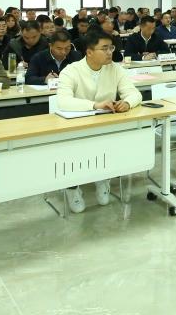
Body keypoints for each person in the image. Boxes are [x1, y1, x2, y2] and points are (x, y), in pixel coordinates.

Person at [55, 34, 142, 213]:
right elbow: (63, 101)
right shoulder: (71, 71)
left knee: (111, 146)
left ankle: (103, 179)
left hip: (104, 125)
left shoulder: (115, 69)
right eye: (104, 48)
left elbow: (134, 93)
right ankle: (72, 188)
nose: (110, 52)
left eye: (111, 48)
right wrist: (94, 105)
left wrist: (127, 103)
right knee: (72, 153)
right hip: (76, 126)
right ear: (89, 52)